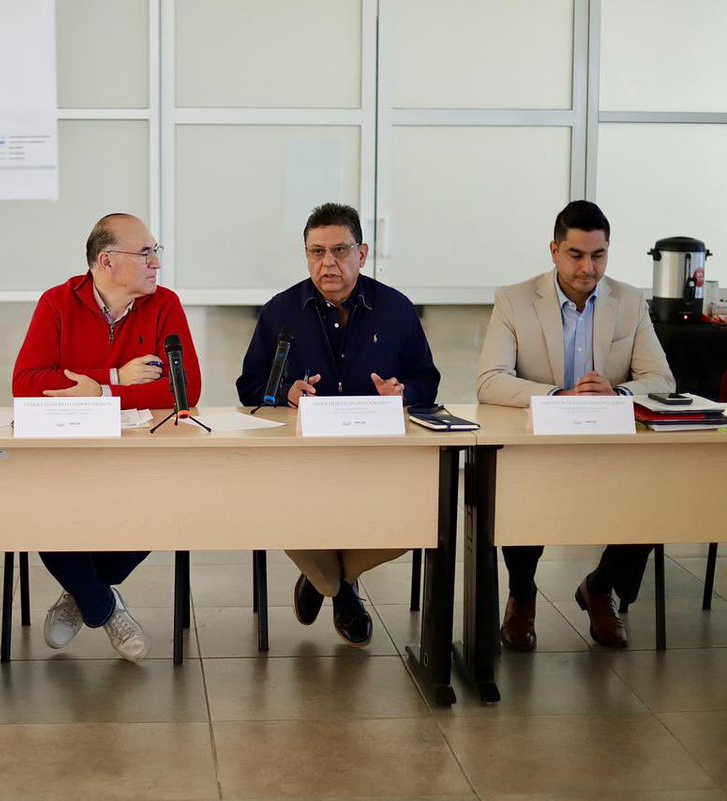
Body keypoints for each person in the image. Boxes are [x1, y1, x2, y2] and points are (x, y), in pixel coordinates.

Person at [237, 203, 441, 647]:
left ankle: (324, 578)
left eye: (339, 250)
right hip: (301, 463)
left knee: (419, 518)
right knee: (277, 508)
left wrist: (403, 394)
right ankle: (342, 589)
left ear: (362, 254)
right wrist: (285, 392)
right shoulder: (280, 312)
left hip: (377, 460)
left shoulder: (396, 308)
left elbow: (428, 379)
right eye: (316, 252)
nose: (327, 262)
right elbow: (249, 385)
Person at [476, 199, 675, 650]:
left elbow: (661, 379)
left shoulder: (629, 301)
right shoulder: (515, 299)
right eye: (576, 255)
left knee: (657, 491)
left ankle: (599, 587)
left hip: (611, 444)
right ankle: (522, 595)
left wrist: (619, 394)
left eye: (598, 255)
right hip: (539, 444)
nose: (589, 268)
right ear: (553, 250)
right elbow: (489, 381)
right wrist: (557, 397)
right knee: (517, 489)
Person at [12, 212, 202, 661]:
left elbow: (186, 389)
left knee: (156, 508)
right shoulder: (57, 303)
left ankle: (82, 596)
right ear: (107, 261)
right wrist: (116, 379)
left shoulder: (165, 304)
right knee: (41, 509)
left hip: (138, 455)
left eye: (157, 251)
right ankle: (103, 606)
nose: (156, 262)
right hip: (67, 454)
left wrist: (97, 391)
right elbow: (27, 383)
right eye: (146, 253)